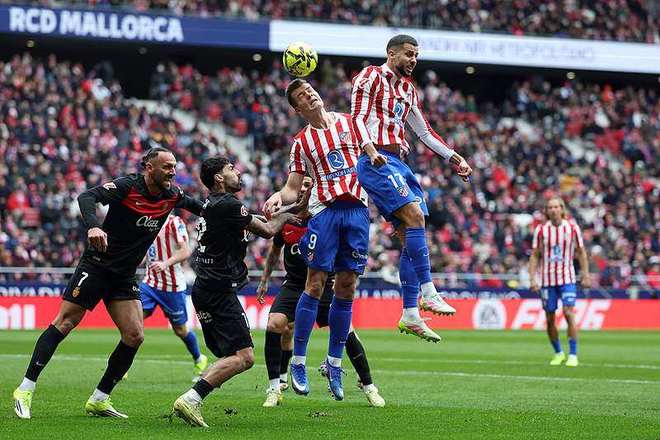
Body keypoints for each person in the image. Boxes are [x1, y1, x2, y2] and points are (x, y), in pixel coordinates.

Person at [13, 147, 204, 419]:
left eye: (174, 166)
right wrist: (93, 225)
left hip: (124, 275)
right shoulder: (128, 186)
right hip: (97, 265)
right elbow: (87, 196)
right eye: (166, 167)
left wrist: (236, 216)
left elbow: (201, 207)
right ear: (149, 168)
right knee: (65, 323)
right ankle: (25, 389)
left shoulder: (172, 195)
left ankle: (100, 399)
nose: (172, 172)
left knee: (135, 335)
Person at [351, 34, 473, 342]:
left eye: (416, 55)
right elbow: (357, 118)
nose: (413, 60)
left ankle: (409, 313)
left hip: (399, 162)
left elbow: (425, 132)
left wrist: (455, 157)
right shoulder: (370, 76)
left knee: (411, 235)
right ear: (391, 54)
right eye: (408, 54)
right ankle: (429, 292)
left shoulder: (408, 89)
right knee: (416, 217)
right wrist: (368, 148)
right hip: (376, 160)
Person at [263, 79, 370, 401]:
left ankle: (334, 364)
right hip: (325, 211)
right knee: (315, 283)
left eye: (310, 90)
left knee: (346, 287)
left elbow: (373, 161)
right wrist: (278, 196)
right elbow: (293, 188)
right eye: (302, 96)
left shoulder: (352, 123)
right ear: (298, 109)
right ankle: (298, 361)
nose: (310, 95)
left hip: (358, 211)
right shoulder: (302, 142)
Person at [171, 157, 297, 428]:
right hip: (219, 291)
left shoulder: (214, 205)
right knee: (244, 357)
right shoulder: (229, 204)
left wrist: (290, 208)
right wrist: (289, 215)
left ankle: (194, 396)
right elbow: (267, 230)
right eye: (230, 169)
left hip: (206, 289)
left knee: (231, 355)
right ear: (218, 178)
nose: (237, 172)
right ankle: (191, 399)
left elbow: (254, 220)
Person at [257, 177, 385, 408]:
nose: (303, 188)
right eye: (301, 185)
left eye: (308, 184)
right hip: (294, 284)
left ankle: (368, 386)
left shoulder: (325, 217)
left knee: (346, 331)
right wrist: (265, 280)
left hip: (324, 284)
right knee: (275, 324)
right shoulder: (287, 221)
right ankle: (275, 387)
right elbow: (274, 251)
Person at [139, 213, 208, 381]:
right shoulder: (146, 221)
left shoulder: (174, 222)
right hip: (149, 283)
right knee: (133, 323)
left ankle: (199, 359)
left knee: (180, 330)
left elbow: (185, 251)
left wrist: (165, 263)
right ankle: (121, 366)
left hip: (172, 286)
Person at [529, 197, 591, 367]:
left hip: (567, 278)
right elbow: (535, 255)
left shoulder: (572, 228)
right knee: (549, 318)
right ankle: (558, 352)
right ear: (546, 211)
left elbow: (581, 252)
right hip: (547, 280)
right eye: (550, 207)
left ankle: (573, 354)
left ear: (562, 209)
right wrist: (532, 278)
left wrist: (585, 274)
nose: (554, 210)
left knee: (568, 312)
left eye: (556, 207)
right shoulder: (541, 230)